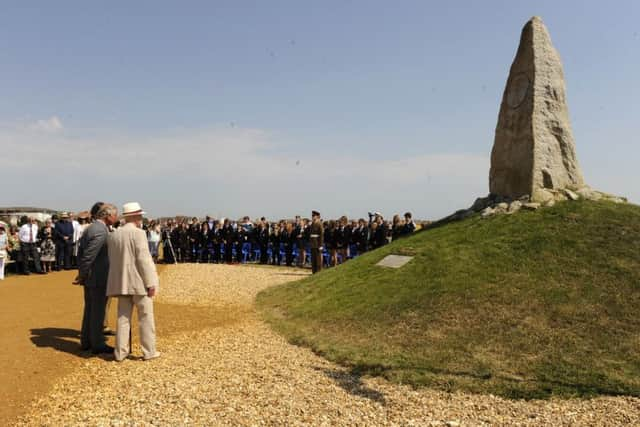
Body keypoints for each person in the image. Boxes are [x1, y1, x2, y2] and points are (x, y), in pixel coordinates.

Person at [107, 202, 160, 362]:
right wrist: (151, 282)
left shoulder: (114, 234)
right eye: (140, 216)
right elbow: (143, 260)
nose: (141, 218)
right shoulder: (139, 234)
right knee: (145, 317)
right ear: (135, 216)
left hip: (122, 282)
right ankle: (149, 351)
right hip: (139, 283)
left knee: (123, 319)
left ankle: (120, 352)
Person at [75, 203, 117, 354]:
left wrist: (82, 273)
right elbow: (89, 256)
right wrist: (82, 274)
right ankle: (97, 344)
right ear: (107, 216)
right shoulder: (100, 231)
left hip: (91, 276)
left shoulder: (91, 228)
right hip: (98, 277)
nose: (116, 217)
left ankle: (86, 341)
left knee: (90, 310)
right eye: (114, 214)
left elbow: (81, 253)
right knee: (98, 311)